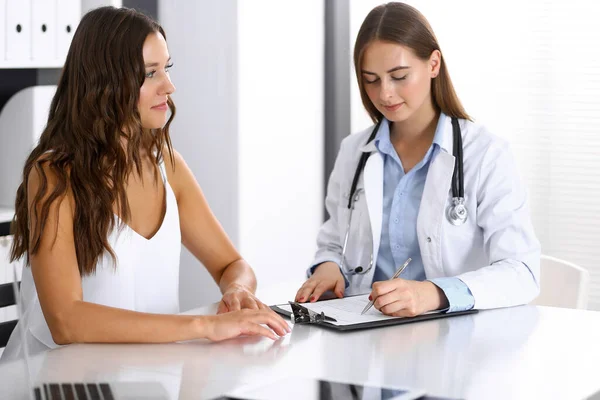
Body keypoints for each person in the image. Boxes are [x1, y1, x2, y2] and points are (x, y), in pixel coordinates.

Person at [2, 6, 289, 361]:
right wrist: (203, 326)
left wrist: (238, 290)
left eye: (165, 68)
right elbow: (66, 321)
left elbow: (232, 265)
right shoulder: (53, 174)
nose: (169, 86)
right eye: (150, 73)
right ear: (104, 83)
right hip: (55, 380)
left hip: (148, 375)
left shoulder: (167, 166)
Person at [295, 2, 540, 316]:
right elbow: (333, 240)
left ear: (433, 64)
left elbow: (522, 271)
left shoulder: (487, 154)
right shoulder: (354, 152)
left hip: (455, 342)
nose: (385, 94)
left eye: (399, 76)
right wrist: (328, 268)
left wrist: (435, 294)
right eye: (371, 79)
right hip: (364, 332)